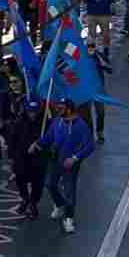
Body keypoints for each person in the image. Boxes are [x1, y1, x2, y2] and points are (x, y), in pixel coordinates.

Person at [36, 98, 95, 234]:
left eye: (61, 108)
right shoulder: (57, 121)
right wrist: (38, 143)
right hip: (55, 160)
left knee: (70, 191)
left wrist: (75, 158)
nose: (57, 110)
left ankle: (69, 218)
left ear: (69, 109)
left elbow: (90, 146)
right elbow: (49, 137)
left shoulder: (81, 125)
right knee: (50, 184)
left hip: (70, 164)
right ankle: (59, 204)